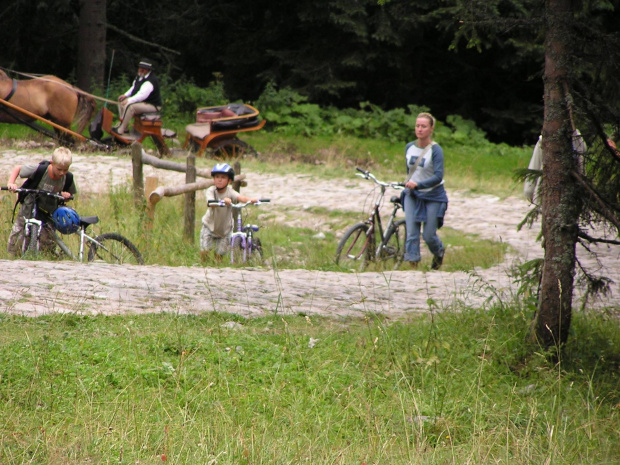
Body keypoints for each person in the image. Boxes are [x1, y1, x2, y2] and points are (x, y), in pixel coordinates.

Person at [6, 147, 77, 256]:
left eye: (65, 169)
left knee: (47, 243)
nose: (62, 172)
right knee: (17, 236)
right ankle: (13, 258)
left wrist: (66, 196)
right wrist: (11, 183)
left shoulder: (67, 178)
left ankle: (44, 260)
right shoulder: (40, 170)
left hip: (49, 212)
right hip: (29, 207)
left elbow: (69, 194)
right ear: (52, 163)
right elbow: (18, 168)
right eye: (59, 169)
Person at [402, 112, 448, 270]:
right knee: (412, 232)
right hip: (412, 195)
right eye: (417, 126)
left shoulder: (436, 150)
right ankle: (413, 267)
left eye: (423, 126)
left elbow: (438, 176)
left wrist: (418, 185)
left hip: (433, 195)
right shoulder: (409, 147)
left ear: (431, 129)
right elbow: (409, 171)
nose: (420, 129)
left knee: (428, 235)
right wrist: (408, 183)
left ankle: (439, 251)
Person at [200, 163, 258, 263]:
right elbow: (210, 203)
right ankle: (203, 269)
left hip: (225, 229)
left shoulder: (230, 192)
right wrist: (222, 201)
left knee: (219, 256)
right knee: (205, 252)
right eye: (217, 177)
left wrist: (251, 200)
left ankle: (217, 271)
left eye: (223, 177)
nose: (219, 179)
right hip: (209, 226)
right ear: (213, 179)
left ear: (229, 180)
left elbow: (241, 198)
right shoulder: (211, 191)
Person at [113, 58, 162, 136]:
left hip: (152, 105)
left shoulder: (150, 81)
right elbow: (134, 87)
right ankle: (124, 127)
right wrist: (125, 95)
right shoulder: (139, 77)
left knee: (130, 107)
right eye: (140, 68)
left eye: (144, 69)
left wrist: (129, 100)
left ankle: (121, 129)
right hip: (144, 102)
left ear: (148, 70)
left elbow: (142, 95)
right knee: (121, 102)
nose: (141, 70)